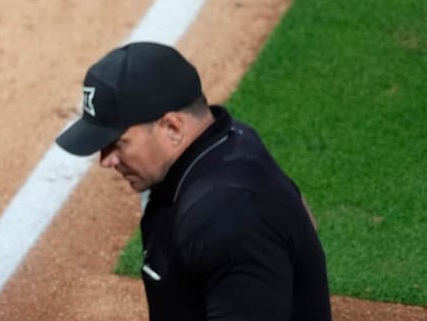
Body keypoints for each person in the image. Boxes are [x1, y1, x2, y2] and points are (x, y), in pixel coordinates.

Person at [54, 41, 331, 320]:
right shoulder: (227, 141)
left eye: (117, 143)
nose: (106, 160)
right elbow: (300, 213)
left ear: (172, 128)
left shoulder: (228, 216)